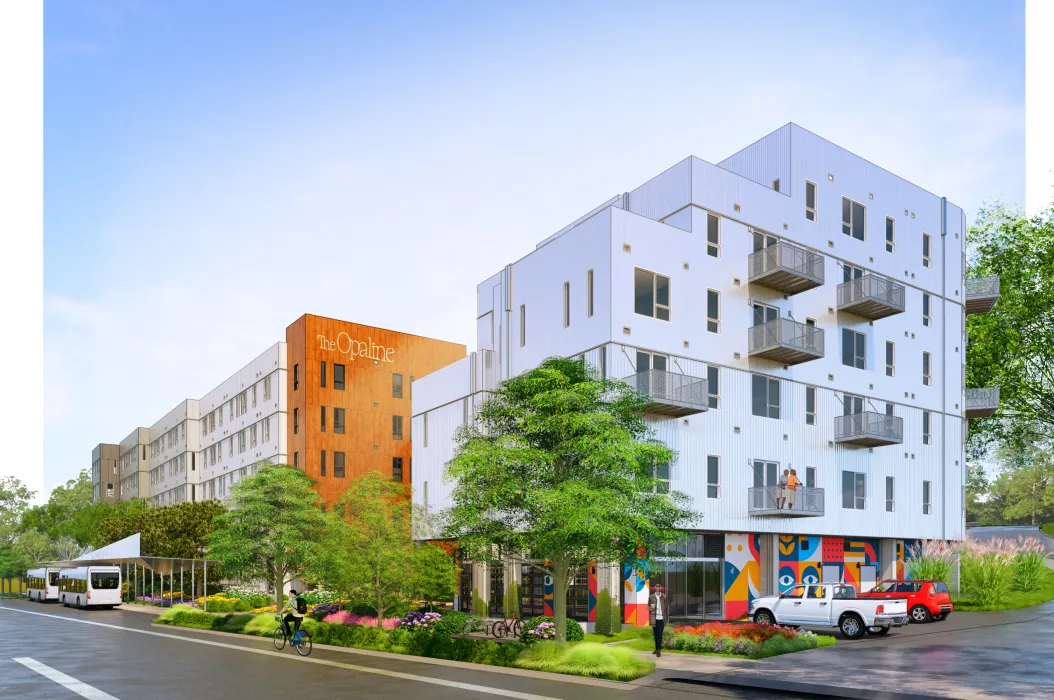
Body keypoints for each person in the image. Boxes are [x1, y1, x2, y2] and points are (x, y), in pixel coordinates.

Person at [648, 583, 669, 657]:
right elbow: (648, 607)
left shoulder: (664, 597)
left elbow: (666, 608)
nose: (657, 587)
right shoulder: (651, 597)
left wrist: (666, 619)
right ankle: (656, 648)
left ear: (661, 588)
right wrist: (651, 608)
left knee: (659, 634)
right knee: (655, 635)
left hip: (661, 618)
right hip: (654, 618)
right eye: (656, 586)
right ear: (654, 587)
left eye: (659, 586)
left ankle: (658, 650)